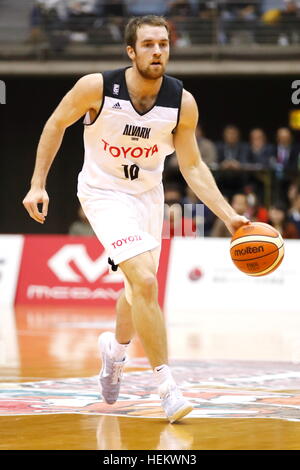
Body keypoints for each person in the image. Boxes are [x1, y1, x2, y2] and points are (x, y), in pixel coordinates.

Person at [22, 15, 249, 423]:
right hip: (103, 194)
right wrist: (38, 183)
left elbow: (194, 167)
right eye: (148, 44)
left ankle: (115, 353)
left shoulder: (182, 102)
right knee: (145, 280)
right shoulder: (97, 87)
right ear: (131, 51)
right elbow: (56, 124)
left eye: (163, 44)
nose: (157, 51)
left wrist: (230, 216)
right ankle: (167, 388)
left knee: (135, 289)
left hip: (147, 197)